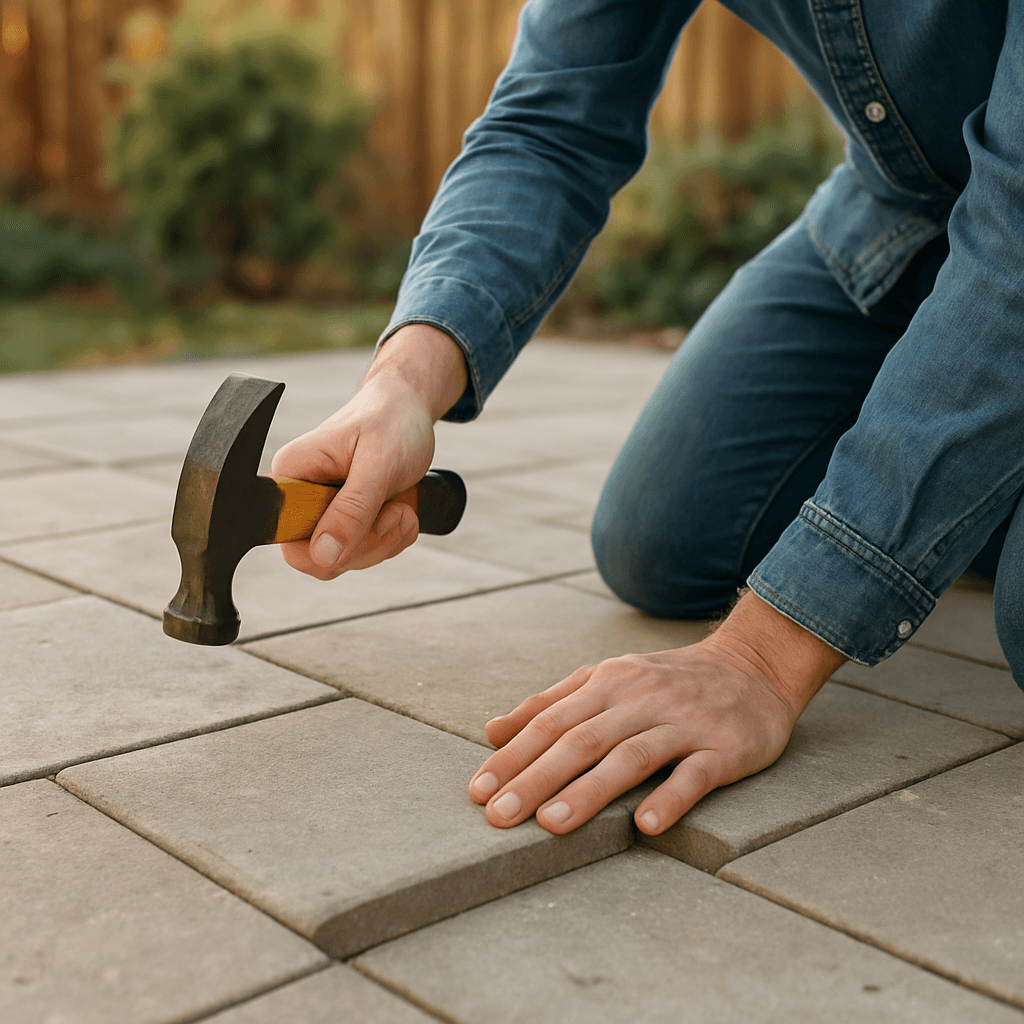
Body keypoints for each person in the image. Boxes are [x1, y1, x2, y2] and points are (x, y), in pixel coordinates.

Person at [272, 0, 1024, 838]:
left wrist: (762, 659)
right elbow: (551, 123)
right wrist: (404, 384)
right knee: (662, 542)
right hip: (905, 212)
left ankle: (967, 471)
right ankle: (971, 472)